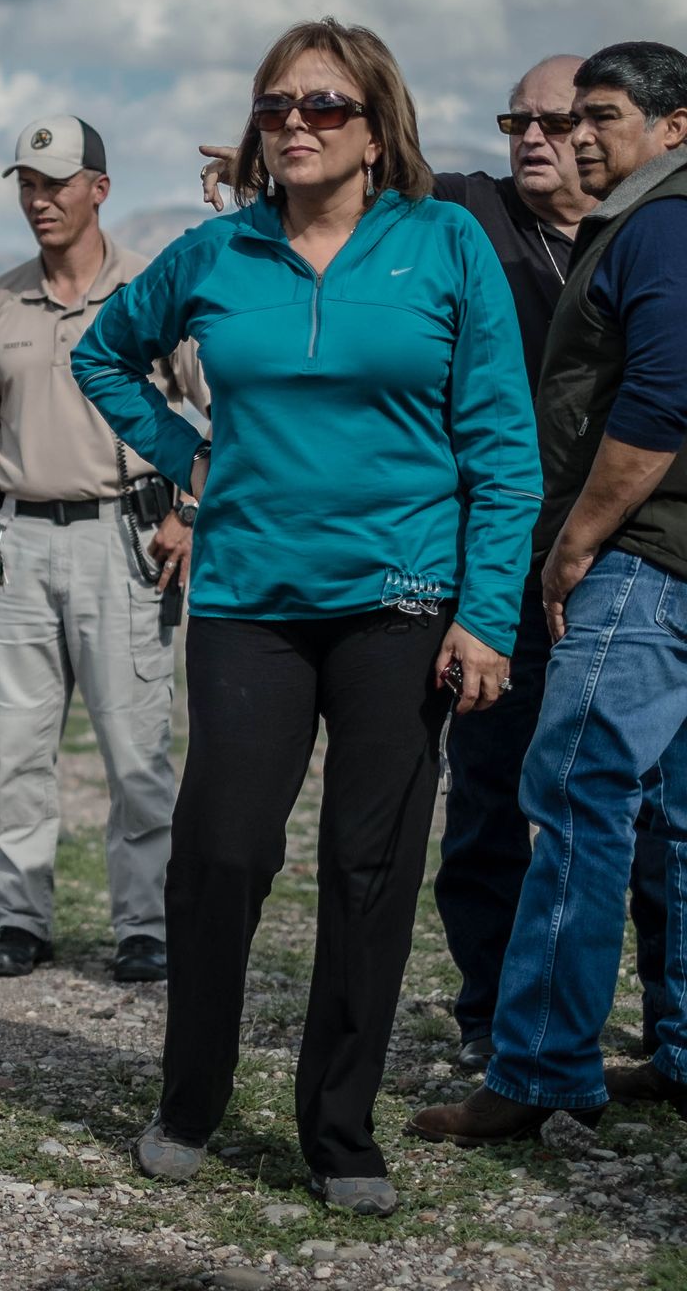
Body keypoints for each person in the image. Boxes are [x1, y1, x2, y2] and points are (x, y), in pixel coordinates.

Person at [72, 18, 539, 1214]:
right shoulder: (216, 252)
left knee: (369, 866)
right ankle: (190, 1099)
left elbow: (502, 443)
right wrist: (192, 460)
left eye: (323, 106)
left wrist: (485, 616)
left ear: (377, 130)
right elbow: (107, 357)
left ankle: (339, 1131)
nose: (294, 123)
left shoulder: (444, 245)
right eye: (278, 105)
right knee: (222, 852)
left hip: (403, 604)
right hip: (250, 600)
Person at [203, 57, 671, 1073]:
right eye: (520, 121)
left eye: (570, 119)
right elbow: (351, 196)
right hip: (493, 565)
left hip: (622, 556)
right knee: (493, 796)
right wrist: (257, 174)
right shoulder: (470, 215)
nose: (542, 138)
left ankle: (660, 1032)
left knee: (648, 808)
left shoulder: (643, 234)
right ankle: (491, 1014)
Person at [411, 41, 687, 1145]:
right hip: (670, 561)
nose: (576, 136)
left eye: (601, 117)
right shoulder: (627, 216)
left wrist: (573, 543)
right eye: (566, 120)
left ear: (674, 125)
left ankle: (538, 1068)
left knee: (572, 802)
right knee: (672, 819)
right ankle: (676, 1052)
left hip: (636, 562)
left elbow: (662, 400)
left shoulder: (658, 225)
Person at [0, 114, 209, 985]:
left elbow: (229, 404)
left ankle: (144, 928)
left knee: (135, 753)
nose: (38, 199)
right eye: (26, 182)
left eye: (55, 182)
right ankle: (20, 921)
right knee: (13, 746)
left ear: (99, 187)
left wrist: (192, 508)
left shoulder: (152, 291)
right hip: (17, 543)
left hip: (124, 541)